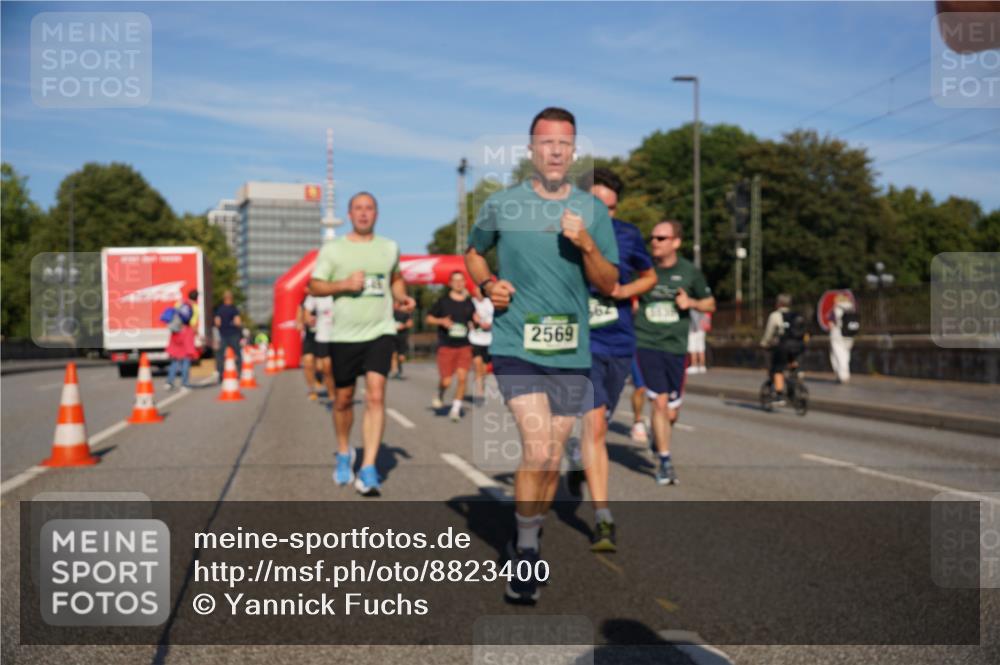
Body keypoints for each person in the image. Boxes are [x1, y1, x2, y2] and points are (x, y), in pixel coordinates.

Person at [465, 107, 619, 604]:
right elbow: (473, 252)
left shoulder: (590, 210)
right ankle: (528, 548)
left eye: (564, 143)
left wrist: (586, 243)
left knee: (552, 456)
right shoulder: (502, 205)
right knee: (538, 449)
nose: (555, 150)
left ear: (574, 153)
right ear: (530, 150)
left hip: (570, 349)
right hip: (515, 344)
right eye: (545, 142)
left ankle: (523, 533)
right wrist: (490, 284)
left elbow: (609, 282)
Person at [565, 167, 656, 552]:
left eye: (612, 208)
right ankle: (604, 518)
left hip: (617, 343)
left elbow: (649, 277)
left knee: (597, 426)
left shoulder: (628, 235)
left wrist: (624, 290)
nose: (607, 215)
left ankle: (580, 461)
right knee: (596, 426)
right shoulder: (562, 234)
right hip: (577, 345)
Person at [308, 192, 415, 497]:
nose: (364, 214)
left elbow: (395, 278)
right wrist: (342, 285)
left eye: (369, 208)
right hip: (344, 335)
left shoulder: (389, 247)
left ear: (377, 214)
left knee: (376, 396)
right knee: (343, 400)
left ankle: (368, 468)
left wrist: (401, 297)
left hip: (380, 331)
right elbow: (314, 285)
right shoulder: (333, 250)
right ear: (350, 214)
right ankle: (345, 452)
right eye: (358, 209)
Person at [634, 221, 715, 485]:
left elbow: (710, 303)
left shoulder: (689, 272)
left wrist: (690, 302)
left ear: (676, 242)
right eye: (653, 237)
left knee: (671, 412)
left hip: (676, 347)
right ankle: (666, 462)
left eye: (662, 238)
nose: (655, 242)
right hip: (647, 343)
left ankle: (661, 439)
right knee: (658, 402)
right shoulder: (643, 268)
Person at [426, 271, 478, 422]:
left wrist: (475, 320)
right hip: (446, 345)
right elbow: (428, 318)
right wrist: (441, 321)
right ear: (450, 283)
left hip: (464, 346)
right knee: (446, 381)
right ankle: (441, 392)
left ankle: (455, 409)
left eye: (461, 280)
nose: (459, 283)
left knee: (462, 378)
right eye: (455, 281)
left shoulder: (469, 302)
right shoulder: (443, 302)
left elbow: (472, 320)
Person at [760, 293, 805, 405]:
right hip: (799, 346)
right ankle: (796, 379)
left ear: (778, 303)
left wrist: (764, 343)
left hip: (783, 346)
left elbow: (769, 333)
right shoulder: (797, 315)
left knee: (777, 369)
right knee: (792, 364)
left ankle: (779, 395)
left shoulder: (775, 315)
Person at [165, 289, 200, 390]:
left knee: (175, 359)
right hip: (187, 334)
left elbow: (173, 315)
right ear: (197, 298)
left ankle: (169, 382)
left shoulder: (180, 302)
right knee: (186, 359)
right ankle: (184, 383)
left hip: (176, 333)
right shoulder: (195, 307)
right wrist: (198, 334)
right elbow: (193, 323)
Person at [468, 283, 495, 400]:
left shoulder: (490, 303)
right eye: (476, 291)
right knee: (477, 364)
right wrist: (471, 322)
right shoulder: (471, 303)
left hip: (488, 339)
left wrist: (489, 325)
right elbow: (465, 316)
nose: (478, 293)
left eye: (480, 291)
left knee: (484, 368)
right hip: (474, 339)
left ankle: (481, 387)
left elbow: (496, 319)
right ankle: (479, 391)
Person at [827, 294, 857, 384]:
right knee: (846, 354)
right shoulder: (851, 308)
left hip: (837, 334)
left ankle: (843, 375)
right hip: (849, 335)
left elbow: (831, 323)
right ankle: (844, 373)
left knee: (838, 354)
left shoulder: (836, 309)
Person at [213, 290, 242, 380]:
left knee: (220, 355)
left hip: (223, 335)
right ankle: (239, 373)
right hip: (233, 334)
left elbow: (217, 322)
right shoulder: (234, 309)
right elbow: (238, 322)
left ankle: (220, 374)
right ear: (231, 299)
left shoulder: (220, 309)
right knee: (237, 354)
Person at [298, 293, 321, 400]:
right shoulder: (304, 302)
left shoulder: (328, 298)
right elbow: (298, 321)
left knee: (321, 366)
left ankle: (319, 376)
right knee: (307, 362)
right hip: (309, 337)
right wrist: (304, 321)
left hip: (325, 336)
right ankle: (311, 389)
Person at [391, 302, 413, 379]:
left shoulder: (405, 313)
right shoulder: (388, 313)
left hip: (402, 336)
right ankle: (394, 371)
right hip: (391, 336)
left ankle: (398, 367)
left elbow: (410, 324)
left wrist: (403, 326)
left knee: (401, 357)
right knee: (393, 354)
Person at [687, 309, 709, 374]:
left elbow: (694, 318)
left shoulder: (693, 307)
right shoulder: (702, 306)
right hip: (702, 329)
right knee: (701, 348)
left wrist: (694, 328)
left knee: (693, 348)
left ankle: (694, 365)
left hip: (694, 329)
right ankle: (702, 366)